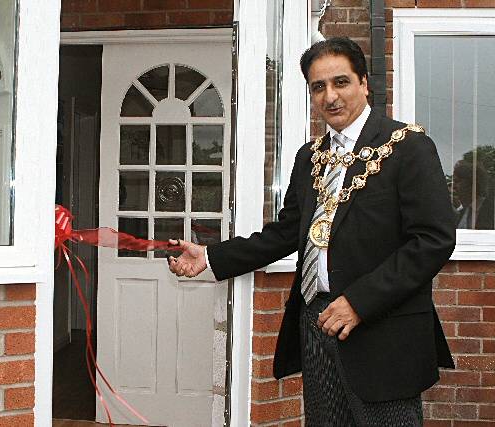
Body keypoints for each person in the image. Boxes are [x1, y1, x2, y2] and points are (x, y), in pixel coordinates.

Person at [167, 37, 456, 426]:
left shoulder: (407, 147)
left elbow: (433, 240)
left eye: (341, 82)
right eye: (318, 87)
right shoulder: (309, 158)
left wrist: (360, 301)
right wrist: (210, 256)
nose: (330, 96)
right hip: (316, 321)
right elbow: (286, 234)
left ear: (364, 83)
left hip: (382, 328)